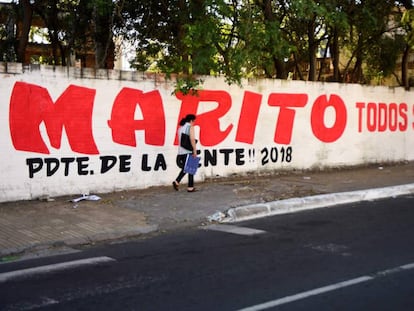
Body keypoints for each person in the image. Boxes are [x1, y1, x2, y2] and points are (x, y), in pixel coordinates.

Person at [173, 114, 198, 192]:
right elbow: (192, 139)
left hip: (181, 152)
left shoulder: (180, 128)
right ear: (191, 120)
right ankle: (188, 186)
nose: (194, 123)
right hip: (188, 151)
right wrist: (194, 150)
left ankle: (179, 182)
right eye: (194, 121)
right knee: (190, 169)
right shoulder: (190, 127)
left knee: (188, 168)